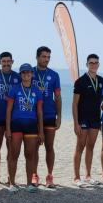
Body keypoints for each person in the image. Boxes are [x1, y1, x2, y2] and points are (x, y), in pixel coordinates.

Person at [5, 64, 44, 192]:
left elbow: (39, 112)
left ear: (32, 74)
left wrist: (41, 131)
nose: (26, 75)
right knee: (13, 154)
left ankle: (29, 184)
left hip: (31, 126)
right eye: (23, 73)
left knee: (30, 155)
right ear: (20, 75)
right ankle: (12, 183)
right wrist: (8, 129)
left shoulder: (37, 91)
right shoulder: (14, 89)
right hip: (16, 125)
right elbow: (9, 110)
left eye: (28, 73)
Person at [72, 54, 103, 187]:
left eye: (96, 63)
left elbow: (99, 99)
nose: (93, 65)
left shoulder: (101, 80)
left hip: (96, 118)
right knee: (80, 146)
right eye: (91, 63)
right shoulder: (80, 81)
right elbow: (74, 104)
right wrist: (76, 123)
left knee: (90, 146)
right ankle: (76, 177)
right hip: (83, 119)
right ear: (87, 65)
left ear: (98, 64)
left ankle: (88, 175)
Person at [32, 46, 62, 188]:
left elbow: (58, 97)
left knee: (49, 147)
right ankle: (34, 175)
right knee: (35, 147)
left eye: (48, 57)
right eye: (44, 56)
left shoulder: (54, 75)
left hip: (49, 114)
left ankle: (49, 176)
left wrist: (59, 116)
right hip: (32, 116)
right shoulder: (29, 72)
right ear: (37, 57)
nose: (46, 59)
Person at [0, 51, 19, 185]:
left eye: (9, 61)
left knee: (11, 149)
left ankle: (9, 175)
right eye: (4, 61)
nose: (6, 64)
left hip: (13, 119)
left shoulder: (18, 77)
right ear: (0, 62)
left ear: (12, 62)